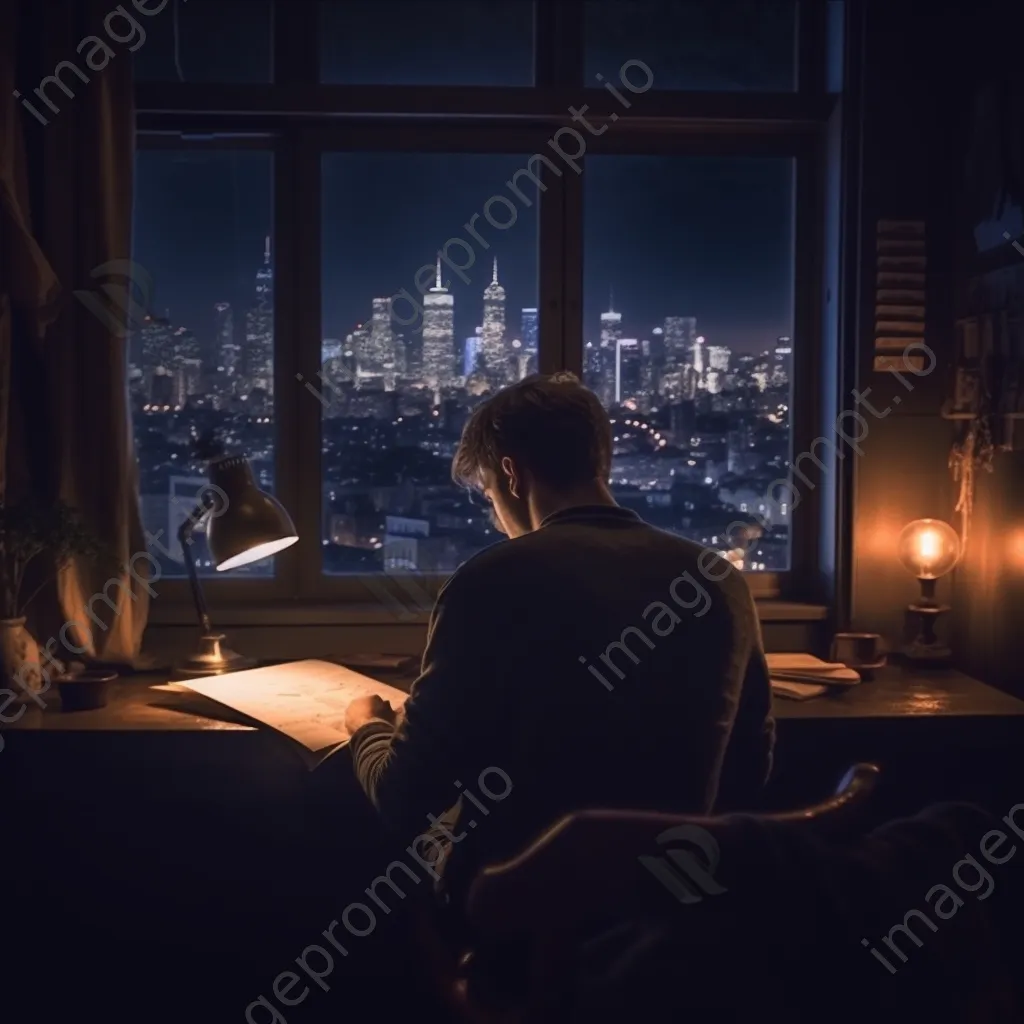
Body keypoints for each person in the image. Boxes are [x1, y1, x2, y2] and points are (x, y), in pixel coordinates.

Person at [344, 372, 774, 909]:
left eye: (488, 494)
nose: (498, 519)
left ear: (510, 474)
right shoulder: (719, 581)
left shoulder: (489, 581)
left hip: (519, 917)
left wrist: (367, 727)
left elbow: (405, 801)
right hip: (671, 919)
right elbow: (749, 771)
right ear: (599, 461)